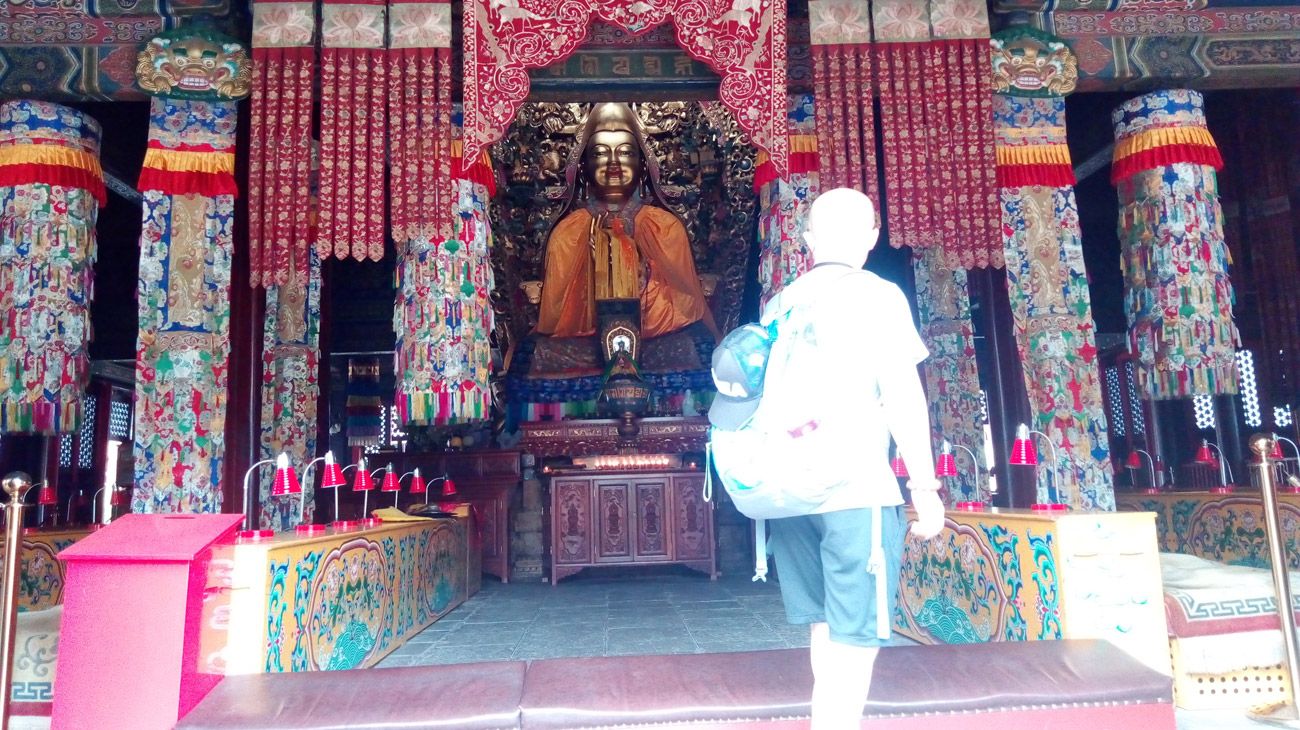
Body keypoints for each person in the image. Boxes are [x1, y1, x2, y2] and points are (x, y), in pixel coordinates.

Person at [761, 187, 945, 729]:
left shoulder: (780, 303)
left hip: (790, 491)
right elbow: (903, 397)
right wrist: (925, 488)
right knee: (856, 630)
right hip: (854, 487)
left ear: (808, 239)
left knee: (824, 623)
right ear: (872, 236)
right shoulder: (879, 295)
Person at [535, 103, 717, 340]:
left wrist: (641, 271)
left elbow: (686, 309)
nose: (613, 163)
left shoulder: (665, 227)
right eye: (600, 153)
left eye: (625, 152)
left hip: (658, 338)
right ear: (583, 168)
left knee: (696, 342)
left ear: (643, 167)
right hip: (583, 342)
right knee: (538, 356)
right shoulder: (567, 233)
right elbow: (556, 322)